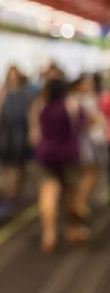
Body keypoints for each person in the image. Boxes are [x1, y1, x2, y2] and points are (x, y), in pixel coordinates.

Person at [29, 74, 89, 254]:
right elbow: (83, 124)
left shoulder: (39, 105)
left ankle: (49, 234)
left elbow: (34, 132)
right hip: (68, 154)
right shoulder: (72, 104)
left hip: (46, 154)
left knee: (48, 193)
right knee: (71, 193)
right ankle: (72, 229)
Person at [0, 66, 32, 200]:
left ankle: (16, 190)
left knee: (19, 164)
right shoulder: (2, 94)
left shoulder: (25, 94)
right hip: (6, 132)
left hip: (20, 132)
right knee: (7, 164)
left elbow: (30, 115)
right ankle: (10, 192)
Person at [73, 73, 106, 218]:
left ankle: (80, 202)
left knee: (91, 173)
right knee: (89, 173)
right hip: (88, 141)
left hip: (92, 140)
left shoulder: (86, 99)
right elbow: (86, 121)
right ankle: (79, 203)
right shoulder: (80, 101)